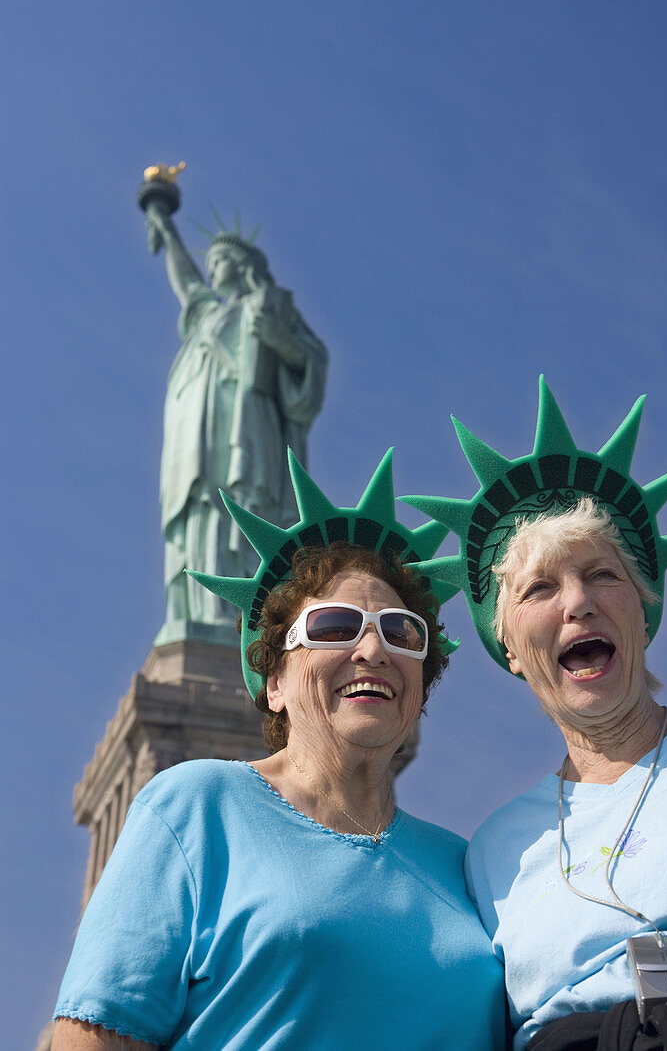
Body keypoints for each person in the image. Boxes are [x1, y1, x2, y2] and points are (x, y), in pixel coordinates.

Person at [52, 453, 505, 1050]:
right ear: (274, 682)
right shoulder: (198, 806)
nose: (373, 649)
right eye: (335, 626)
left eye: (400, 632)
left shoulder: (467, 867)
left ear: (421, 686)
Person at [405, 379, 667, 1051]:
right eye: (540, 588)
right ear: (512, 649)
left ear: (642, 610)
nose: (577, 603)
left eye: (603, 575)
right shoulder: (494, 851)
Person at [144, 200, 328, 638]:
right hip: (194, 431)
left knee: (239, 504)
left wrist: (278, 339)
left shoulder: (271, 306)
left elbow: (312, 359)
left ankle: (238, 615)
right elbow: (186, 280)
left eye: (221, 259)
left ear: (244, 265)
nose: (212, 268)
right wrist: (166, 229)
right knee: (201, 506)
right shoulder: (208, 314)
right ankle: (199, 609)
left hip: (248, 425)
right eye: (210, 261)